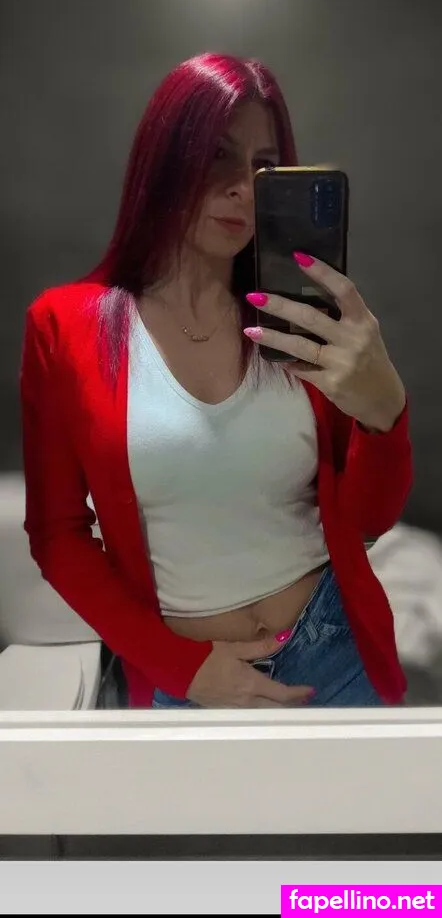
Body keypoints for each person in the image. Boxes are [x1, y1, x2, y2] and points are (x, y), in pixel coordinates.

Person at [20, 52, 412, 710]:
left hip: (336, 648)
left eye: (263, 167)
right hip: (188, 677)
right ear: (164, 158)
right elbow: (57, 534)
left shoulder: (302, 319)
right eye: (217, 155)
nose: (243, 189)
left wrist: (386, 415)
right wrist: (180, 667)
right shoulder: (65, 326)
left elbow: (371, 519)